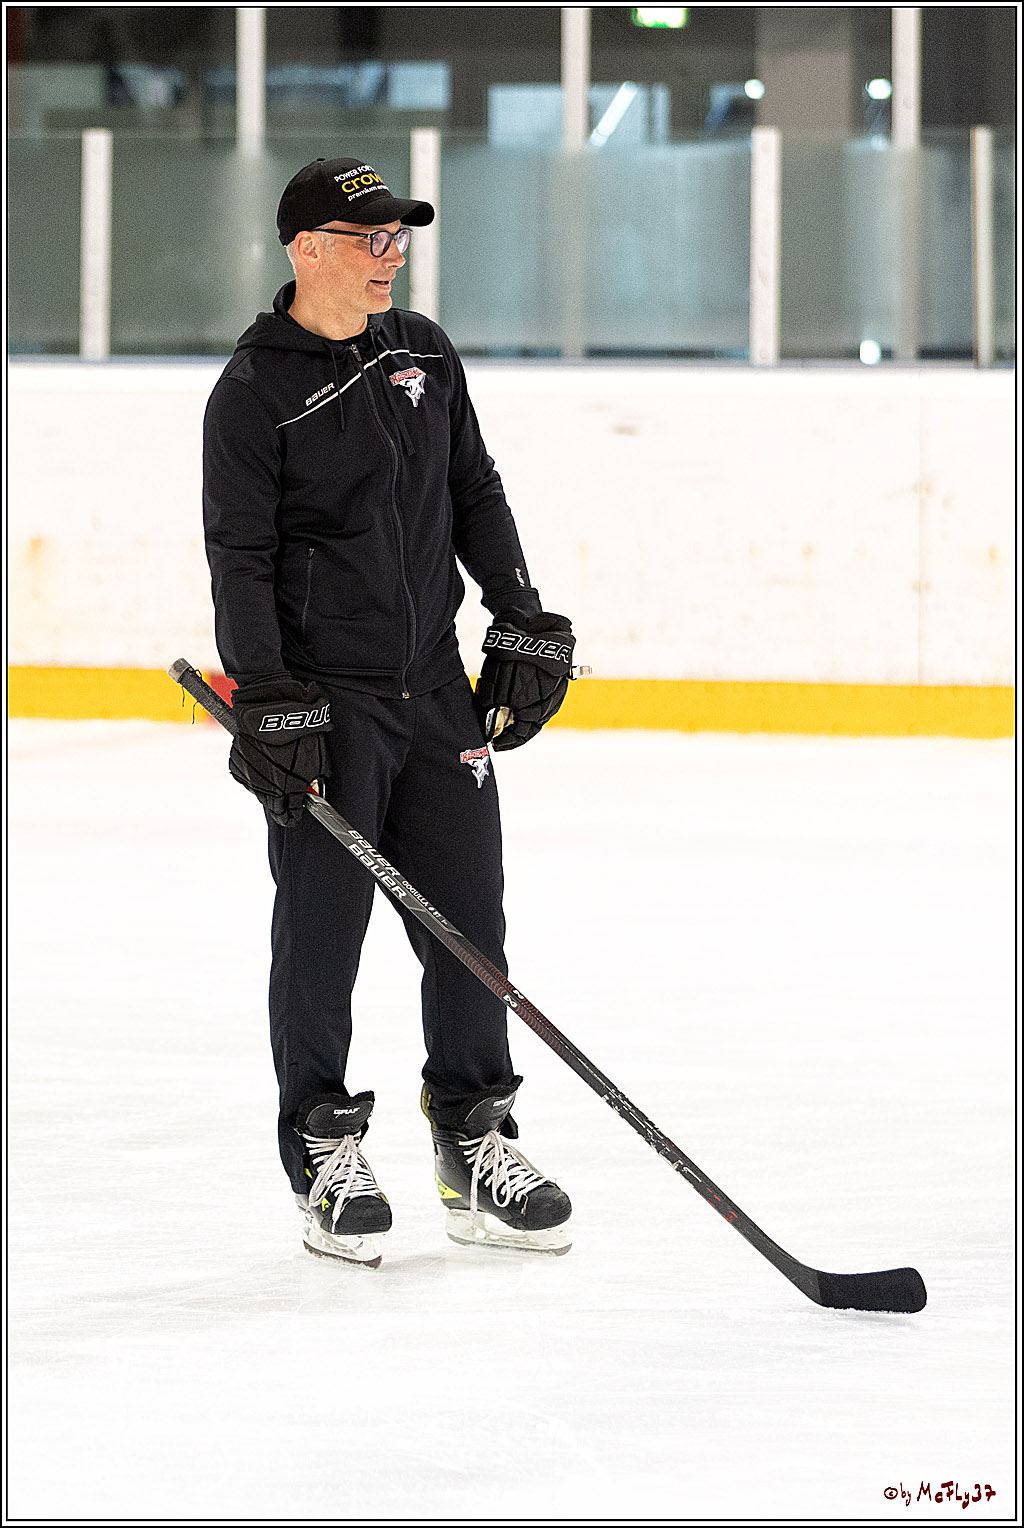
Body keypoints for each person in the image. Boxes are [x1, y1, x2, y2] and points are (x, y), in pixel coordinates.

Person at [203, 156, 576, 1267]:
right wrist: (267, 697)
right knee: (322, 934)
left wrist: (521, 615)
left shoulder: (423, 351)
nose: (390, 254)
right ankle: (321, 1146)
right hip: (326, 701)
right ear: (303, 247)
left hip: (432, 688)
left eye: (398, 236)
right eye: (366, 237)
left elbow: (474, 488)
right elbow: (242, 556)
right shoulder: (253, 392)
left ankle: (475, 1136)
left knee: (470, 925)